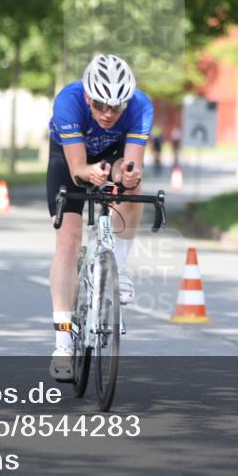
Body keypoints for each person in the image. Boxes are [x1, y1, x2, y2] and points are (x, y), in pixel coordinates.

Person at [45, 54, 153, 381]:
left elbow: (130, 164)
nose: (108, 114)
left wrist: (127, 176)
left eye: (116, 108)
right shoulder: (69, 101)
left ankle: (118, 265)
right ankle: (63, 341)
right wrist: (88, 172)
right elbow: (78, 168)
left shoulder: (140, 106)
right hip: (69, 160)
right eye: (100, 105)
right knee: (68, 242)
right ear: (88, 96)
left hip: (113, 156)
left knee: (133, 187)